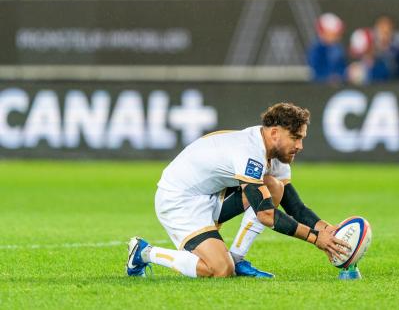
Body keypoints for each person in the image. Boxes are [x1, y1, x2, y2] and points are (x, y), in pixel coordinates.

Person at [126, 103, 348, 278]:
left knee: (274, 186)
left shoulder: (277, 156)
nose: (300, 146)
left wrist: (329, 231)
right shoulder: (249, 151)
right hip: (179, 201)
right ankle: (144, 252)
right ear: (273, 133)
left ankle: (237, 259)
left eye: (302, 138)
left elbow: (295, 207)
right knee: (220, 270)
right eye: (295, 138)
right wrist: (315, 238)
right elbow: (266, 214)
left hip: (211, 196)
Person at [307, 13, 347, 83]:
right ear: (323, 33)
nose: (337, 37)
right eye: (333, 34)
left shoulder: (338, 48)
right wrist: (329, 78)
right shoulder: (316, 50)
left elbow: (342, 68)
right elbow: (316, 73)